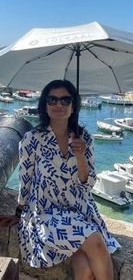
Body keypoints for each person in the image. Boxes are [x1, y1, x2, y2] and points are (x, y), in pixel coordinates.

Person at [0, 79, 120, 280]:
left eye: (65, 100)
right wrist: (20, 212)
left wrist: (81, 155)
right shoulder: (32, 139)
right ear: (44, 105)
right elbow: (26, 180)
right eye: (52, 99)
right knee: (96, 243)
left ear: (73, 106)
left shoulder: (84, 138)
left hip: (79, 208)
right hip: (47, 211)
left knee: (86, 265)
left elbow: (87, 184)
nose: (59, 105)